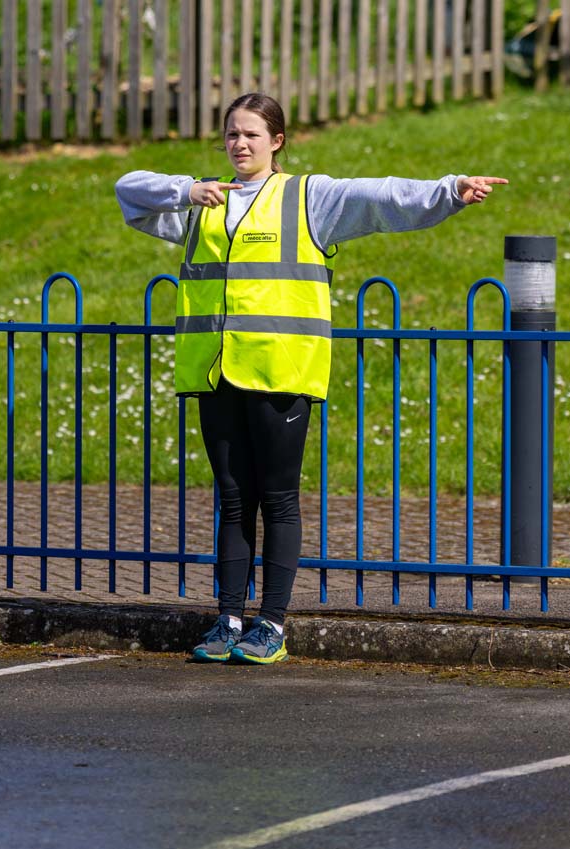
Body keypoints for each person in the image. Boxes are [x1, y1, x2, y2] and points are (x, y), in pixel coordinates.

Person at [114, 92, 507, 665]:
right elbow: (128, 190)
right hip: (215, 372)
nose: (239, 144)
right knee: (231, 499)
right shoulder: (204, 202)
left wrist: (449, 190)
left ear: (277, 141)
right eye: (231, 134)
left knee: (277, 499)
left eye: (250, 134)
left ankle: (270, 624)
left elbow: (380, 197)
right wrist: (184, 189)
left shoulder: (308, 198)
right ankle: (227, 618)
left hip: (281, 372)